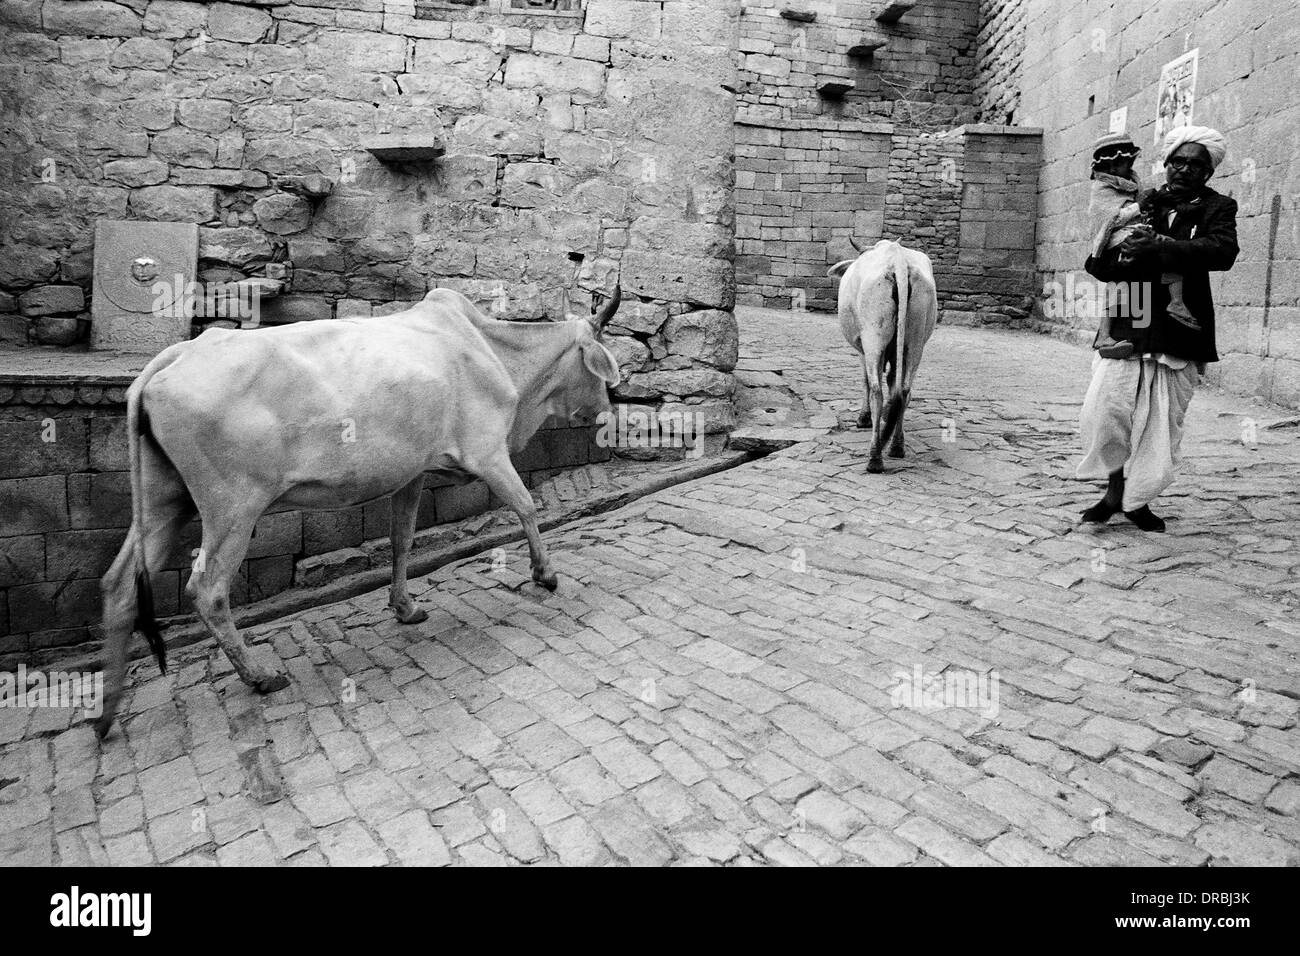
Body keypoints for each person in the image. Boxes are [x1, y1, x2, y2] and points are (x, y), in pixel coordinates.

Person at [1076, 125, 1239, 532]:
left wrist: (1161, 247)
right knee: (1107, 410)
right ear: (1166, 163)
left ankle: (1137, 501)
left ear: (1209, 172)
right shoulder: (1139, 202)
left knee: (1162, 421)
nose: (1184, 169)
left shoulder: (1218, 207)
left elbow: (1222, 252)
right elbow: (1099, 264)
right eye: (1178, 161)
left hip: (1180, 325)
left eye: (1196, 165)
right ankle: (1113, 490)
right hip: (1130, 317)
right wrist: (1122, 254)